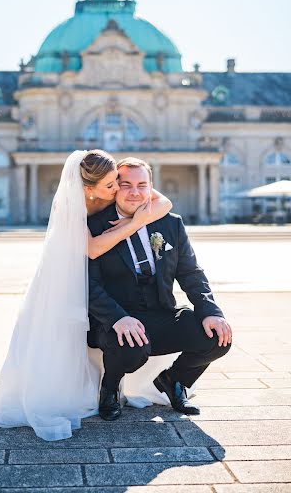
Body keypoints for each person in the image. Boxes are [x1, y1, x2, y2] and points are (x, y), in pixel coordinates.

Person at [0, 149, 173, 441]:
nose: (117, 190)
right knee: (60, 337)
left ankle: (106, 383)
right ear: (88, 189)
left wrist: (132, 216)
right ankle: (60, 390)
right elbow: (93, 248)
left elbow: (164, 202)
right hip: (65, 274)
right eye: (112, 185)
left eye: (117, 182)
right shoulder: (69, 205)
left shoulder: (108, 181)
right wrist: (135, 223)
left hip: (89, 273)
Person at [87, 157, 233, 421]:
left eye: (142, 185)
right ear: (114, 188)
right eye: (126, 184)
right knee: (131, 349)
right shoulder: (93, 226)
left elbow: (190, 273)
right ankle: (110, 387)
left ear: (151, 187)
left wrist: (211, 311)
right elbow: (89, 284)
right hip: (116, 320)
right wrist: (117, 318)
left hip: (162, 313)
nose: (134, 192)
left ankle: (174, 381)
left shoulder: (171, 223)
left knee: (217, 338)